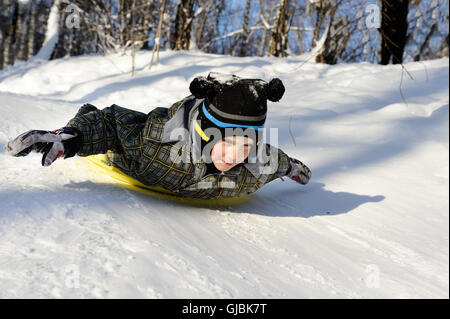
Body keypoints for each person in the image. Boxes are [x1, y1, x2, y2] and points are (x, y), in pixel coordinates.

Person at [5, 72, 311, 200]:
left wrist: (293, 166)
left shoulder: (253, 168)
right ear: (203, 132)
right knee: (97, 123)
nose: (235, 155)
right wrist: (70, 138)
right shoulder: (154, 140)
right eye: (226, 142)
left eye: (246, 145)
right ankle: (84, 117)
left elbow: (275, 160)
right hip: (126, 159)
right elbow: (113, 123)